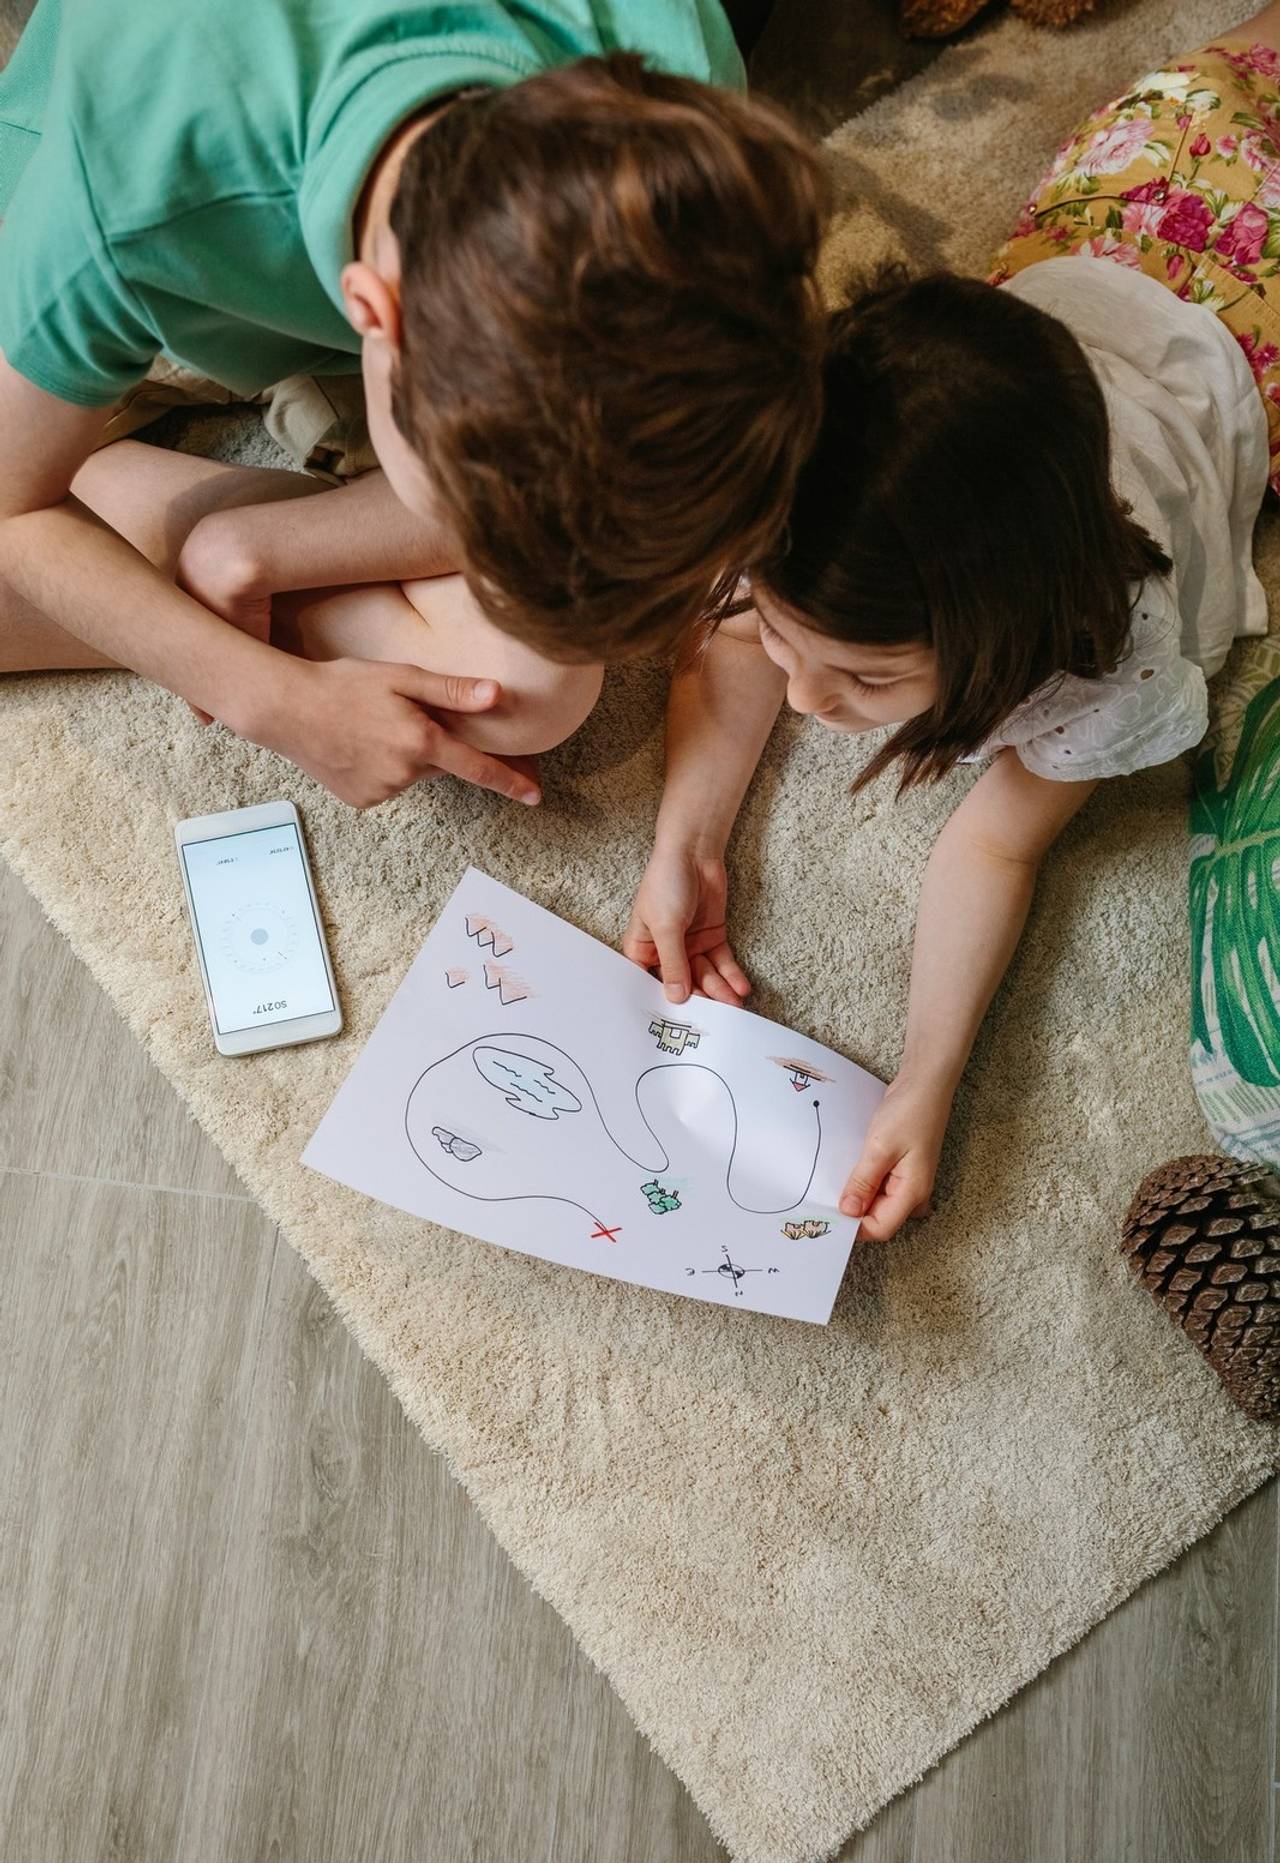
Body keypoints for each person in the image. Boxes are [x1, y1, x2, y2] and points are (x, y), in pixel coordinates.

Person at [624, 5, 1280, 1241]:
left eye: (864, 680)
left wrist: (924, 1082)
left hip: (1244, 323)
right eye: (786, 639)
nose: (808, 700)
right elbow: (725, 637)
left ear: (1012, 645)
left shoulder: (1105, 658)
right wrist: (686, 838)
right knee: (1223, 83)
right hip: (1136, 191)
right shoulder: (803, 488)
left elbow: (991, 847)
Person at [0, 1, 825, 808]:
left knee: (530, 684)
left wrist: (251, 550)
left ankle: (180, 518)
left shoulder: (681, 108)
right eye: (465, 526)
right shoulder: (138, 157)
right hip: (120, 253)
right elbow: (9, 512)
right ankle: (86, 449)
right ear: (374, 314)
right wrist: (267, 698)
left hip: (286, 279)